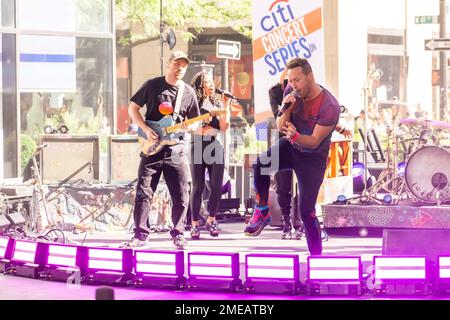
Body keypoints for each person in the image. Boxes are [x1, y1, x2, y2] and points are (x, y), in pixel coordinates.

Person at [245, 57, 341, 255]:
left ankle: (316, 256)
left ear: (310, 76)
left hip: (313, 158)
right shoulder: (290, 91)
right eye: (290, 80)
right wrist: (286, 108)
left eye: (297, 80)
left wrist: (296, 135)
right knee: (262, 164)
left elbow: (314, 141)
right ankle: (262, 211)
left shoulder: (329, 105)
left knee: (306, 211)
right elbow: (281, 127)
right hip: (291, 147)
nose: (293, 85)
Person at [122, 51, 200, 249]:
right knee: (144, 191)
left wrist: (188, 127)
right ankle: (140, 234)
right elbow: (133, 108)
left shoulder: (189, 92)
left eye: (184, 65)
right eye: (177, 64)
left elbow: (194, 122)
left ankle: (179, 234)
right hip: (152, 148)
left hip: (177, 149)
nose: (180, 68)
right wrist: (146, 129)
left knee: (181, 193)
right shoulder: (152, 85)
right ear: (169, 64)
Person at [268, 78, 352, 240]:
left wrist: (340, 128)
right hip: (284, 140)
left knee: (306, 185)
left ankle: (301, 224)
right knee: (283, 183)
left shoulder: (312, 94)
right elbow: (280, 117)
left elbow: (320, 115)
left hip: (303, 143)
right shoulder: (276, 92)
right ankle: (286, 223)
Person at [188, 71, 231, 239]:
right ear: (199, 85)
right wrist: (206, 123)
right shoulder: (193, 103)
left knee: (216, 185)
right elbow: (193, 127)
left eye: (212, 81)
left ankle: (212, 219)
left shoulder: (217, 102)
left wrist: (225, 106)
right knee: (198, 187)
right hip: (197, 144)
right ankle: (194, 224)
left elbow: (224, 127)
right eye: (207, 82)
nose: (212, 84)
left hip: (214, 144)